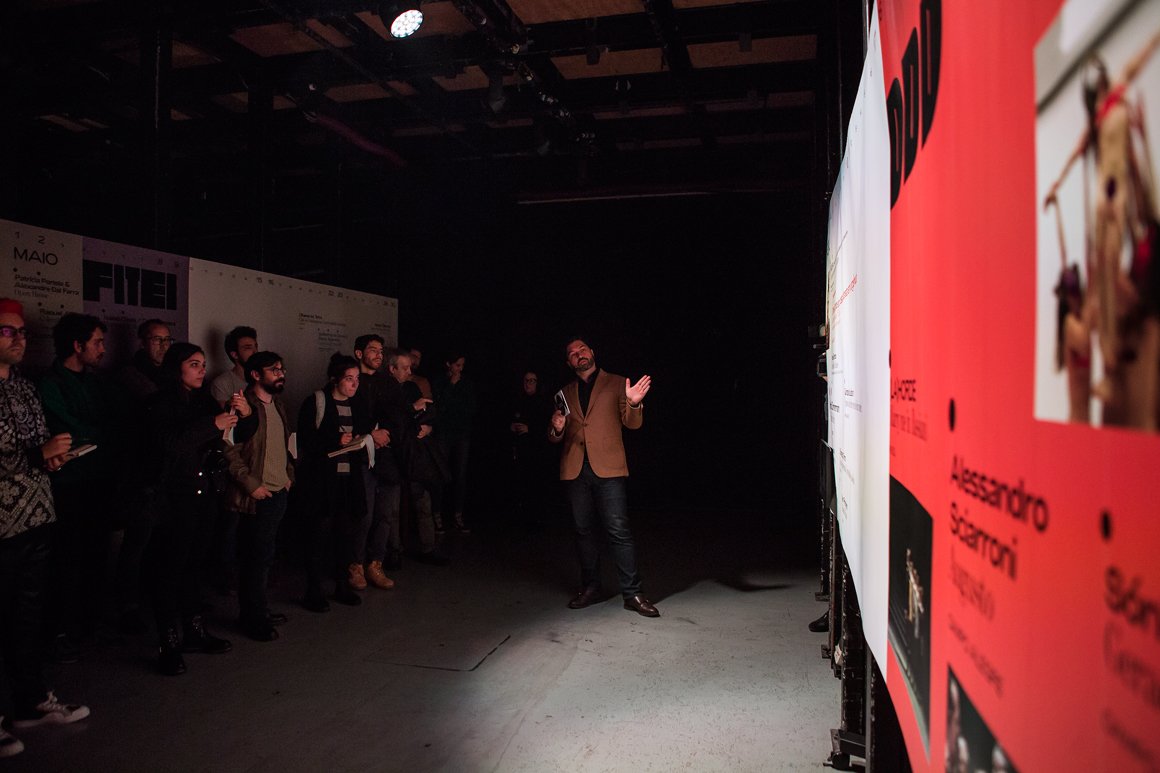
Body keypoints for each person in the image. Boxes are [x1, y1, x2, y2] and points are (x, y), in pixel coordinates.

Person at [0, 298, 90, 758]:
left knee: (28, 619)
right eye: (8, 331)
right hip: (1, 526)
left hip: (37, 516)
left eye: (21, 331)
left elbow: (37, 446)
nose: (19, 338)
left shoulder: (24, 387)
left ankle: (30, 702)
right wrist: (37, 455)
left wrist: (51, 458)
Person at [146, 342, 249, 675]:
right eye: (194, 364)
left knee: (194, 566)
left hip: (204, 495)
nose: (202, 369)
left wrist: (243, 415)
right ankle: (168, 642)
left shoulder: (204, 400)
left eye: (203, 363)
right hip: (173, 499)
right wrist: (212, 424)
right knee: (169, 570)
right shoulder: (160, 402)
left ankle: (194, 631)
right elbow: (169, 444)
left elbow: (229, 437)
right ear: (176, 367)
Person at [549, 337, 658, 617]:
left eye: (582, 349)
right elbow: (555, 436)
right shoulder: (565, 392)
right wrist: (557, 428)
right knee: (583, 531)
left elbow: (633, 424)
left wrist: (633, 403)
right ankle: (591, 588)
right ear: (569, 362)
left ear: (592, 352)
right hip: (576, 470)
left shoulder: (617, 383)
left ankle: (633, 593)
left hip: (608, 469)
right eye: (572, 353)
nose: (578, 354)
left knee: (618, 531)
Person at [36, 312, 123, 662]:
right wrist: (99, 435)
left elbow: (115, 426)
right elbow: (69, 430)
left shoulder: (97, 383)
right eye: (97, 342)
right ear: (77, 345)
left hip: (98, 481)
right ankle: (59, 632)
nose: (103, 349)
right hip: (67, 486)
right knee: (65, 560)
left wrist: (98, 436)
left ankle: (91, 624)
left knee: (96, 556)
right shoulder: (49, 384)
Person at [224, 351, 295, 642]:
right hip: (257, 494)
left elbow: (285, 443)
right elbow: (229, 451)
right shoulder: (242, 405)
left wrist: (289, 475)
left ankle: (260, 609)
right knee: (254, 558)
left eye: (282, 369)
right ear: (255, 374)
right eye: (274, 369)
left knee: (266, 556)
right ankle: (252, 617)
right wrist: (250, 483)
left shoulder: (278, 404)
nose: (281, 374)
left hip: (278, 490)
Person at [295, 353, 373, 608]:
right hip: (322, 482)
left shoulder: (357, 404)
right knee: (318, 535)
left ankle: (341, 586)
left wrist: (363, 440)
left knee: (345, 535)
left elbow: (364, 433)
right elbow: (305, 440)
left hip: (349, 481)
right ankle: (314, 590)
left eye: (357, 378)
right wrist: (335, 440)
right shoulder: (316, 402)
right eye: (349, 378)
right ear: (334, 379)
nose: (354, 383)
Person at [112, 318, 174, 633]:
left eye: (167, 340)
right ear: (141, 341)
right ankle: (128, 606)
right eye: (156, 339)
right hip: (142, 473)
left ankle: (155, 599)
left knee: (162, 543)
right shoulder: (129, 374)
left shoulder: (170, 373)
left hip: (169, 472)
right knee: (137, 543)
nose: (162, 345)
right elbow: (160, 409)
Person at [207, 325, 258, 596]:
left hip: (256, 459)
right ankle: (224, 578)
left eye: (255, 346)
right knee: (230, 522)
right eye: (248, 347)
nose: (254, 351)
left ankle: (249, 576)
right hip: (232, 459)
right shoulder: (223, 383)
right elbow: (227, 426)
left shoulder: (260, 380)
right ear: (234, 354)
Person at [387, 349, 448, 565]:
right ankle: (393, 551)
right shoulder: (384, 390)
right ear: (392, 369)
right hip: (393, 456)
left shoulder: (411, 387)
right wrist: (412, 411)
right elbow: (392, 421)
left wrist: (428, 427)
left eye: (410, 367)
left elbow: (431, 413)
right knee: (393, 507)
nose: (409, 371)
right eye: (404, 368)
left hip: (414, 456)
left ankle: (428, 547)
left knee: (422, 501)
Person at [353, 334, 402, 583]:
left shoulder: (389, 383)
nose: (379, 355)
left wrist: (387, 433)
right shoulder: (351, 380)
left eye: (381, 351)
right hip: (361, 457)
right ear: (359, 353)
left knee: (385, 514)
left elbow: (399, 416)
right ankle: (355, 565)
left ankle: (376, 564)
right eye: (373, 350)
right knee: (364, 514)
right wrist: (370, 433)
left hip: (388, 456)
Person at [431, 351, 476, 534]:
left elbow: (471, 408)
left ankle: (458, 515)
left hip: (461, 434)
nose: (460, 369)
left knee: (460, 475)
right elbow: (439, 408)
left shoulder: (467, 383)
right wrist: (451, 385)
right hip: (443, 434)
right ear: (448, 364)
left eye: (462, 365)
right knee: (440, 473)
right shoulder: (439, 382)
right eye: (457, 365)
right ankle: (437, 515)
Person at [508, 370, 552, 525]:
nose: (528, 384)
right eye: (526, 380)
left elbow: (548, 427)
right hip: (521, 451)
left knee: (537, 485)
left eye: (532, 380)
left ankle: (538, 519)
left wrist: (530, 429)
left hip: (538, 452)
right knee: (522, 485)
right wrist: (511, 427)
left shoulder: (543, 402)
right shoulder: (517, 401)